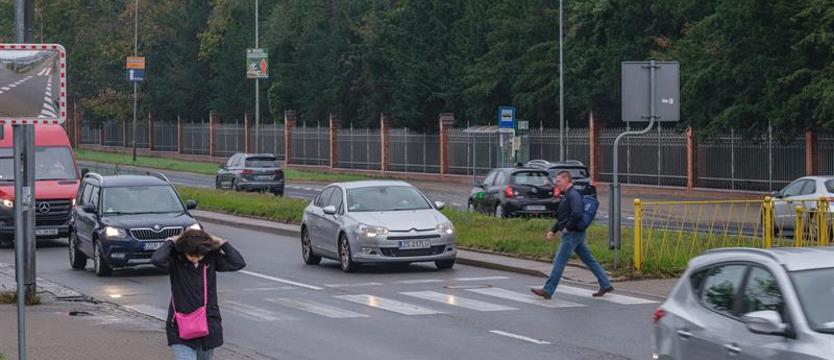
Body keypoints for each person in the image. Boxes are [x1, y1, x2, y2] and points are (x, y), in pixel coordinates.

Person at [151, 229, 246, 360]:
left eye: (199, 255)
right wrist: (170, 241)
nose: (195, 259)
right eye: (191, 255)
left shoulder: (210, 260)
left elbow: (238, 263)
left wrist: (223, 243)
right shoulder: (176, 261)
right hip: (180, 324)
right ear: (183, 251)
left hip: (207, 324)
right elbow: (157, 259)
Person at [531, 170, 613, 300]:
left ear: (566, 180)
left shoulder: (573, 194)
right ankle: (606, 284)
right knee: (589, 260)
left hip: (572, 234)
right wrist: (553, 230)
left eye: (558, 181)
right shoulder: (568, 194)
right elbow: (563, 216)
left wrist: (567, 228)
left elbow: (577, 213)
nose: (557, 184)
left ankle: (548, 290)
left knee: (559, 262)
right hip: (576, 233)